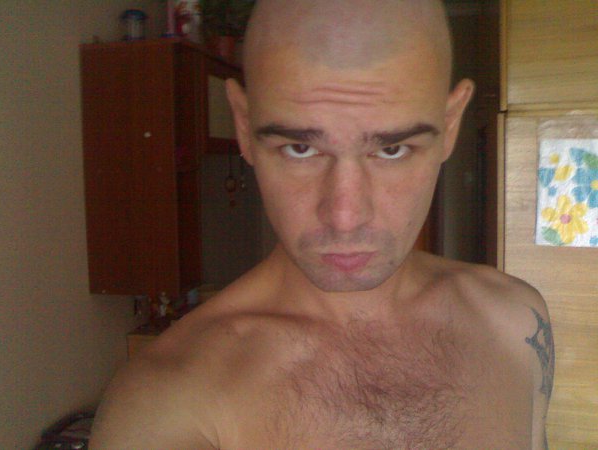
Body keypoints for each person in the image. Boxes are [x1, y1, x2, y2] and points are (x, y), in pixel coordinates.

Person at [90, 0, 554, 448]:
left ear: (450, 126)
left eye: (392, 150)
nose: (345, 217)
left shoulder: (516, 323)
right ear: (244, 126)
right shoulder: (170, 399)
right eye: (301, 149)